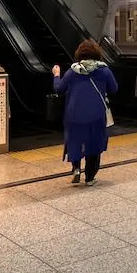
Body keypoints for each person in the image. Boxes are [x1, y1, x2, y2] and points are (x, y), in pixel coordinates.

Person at [52, 40, 117, 185]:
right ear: (97, 53)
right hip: (96, 114)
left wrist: (56, 74)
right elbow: (114, 88)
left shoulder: (72, 71)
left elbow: (59, 89)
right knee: (94, 142)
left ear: (79, 54)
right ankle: (90, 177)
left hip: (73, 114)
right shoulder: (104, 71)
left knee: (75, 140)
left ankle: (76, 168)